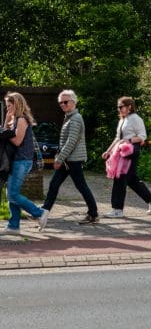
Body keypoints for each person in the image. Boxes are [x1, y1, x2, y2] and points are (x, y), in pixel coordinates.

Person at [41, 90, 99, 227]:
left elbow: (71, 141)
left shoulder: (75, 118)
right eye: (60, 102)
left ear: (74, 102)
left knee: (81, 186)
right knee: (54, 184)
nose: (62, 104)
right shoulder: (69, 117)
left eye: (65, 102)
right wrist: (60, 156)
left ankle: (93, 214)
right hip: (68, 160)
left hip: (73, 160)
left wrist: (59, 159)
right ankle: (43, 211)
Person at [101, 97, 151, 218]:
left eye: (121, 106)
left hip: (129, 152)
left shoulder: (136, 119)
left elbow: (142, 136)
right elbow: (118, 138)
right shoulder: (123, 119)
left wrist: (129, 140)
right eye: (118, 107)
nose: (119, 109)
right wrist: (108, 151)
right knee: (132, 180)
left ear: (129, 107)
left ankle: (117, 210)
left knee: (120, 179)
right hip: (121, 152)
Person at [1, 92, 48, 234]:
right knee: (12, 193)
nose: (8, 109)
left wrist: (6, 133)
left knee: (12, 194)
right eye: (7, 106)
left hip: (22, 161)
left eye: (9, 106)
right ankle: (13, 226)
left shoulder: (21, 119)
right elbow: (5, 133)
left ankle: (39, 212)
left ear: (17, 104)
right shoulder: (15, 119)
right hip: (17, 160)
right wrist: (7, 120)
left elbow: (17, 141)